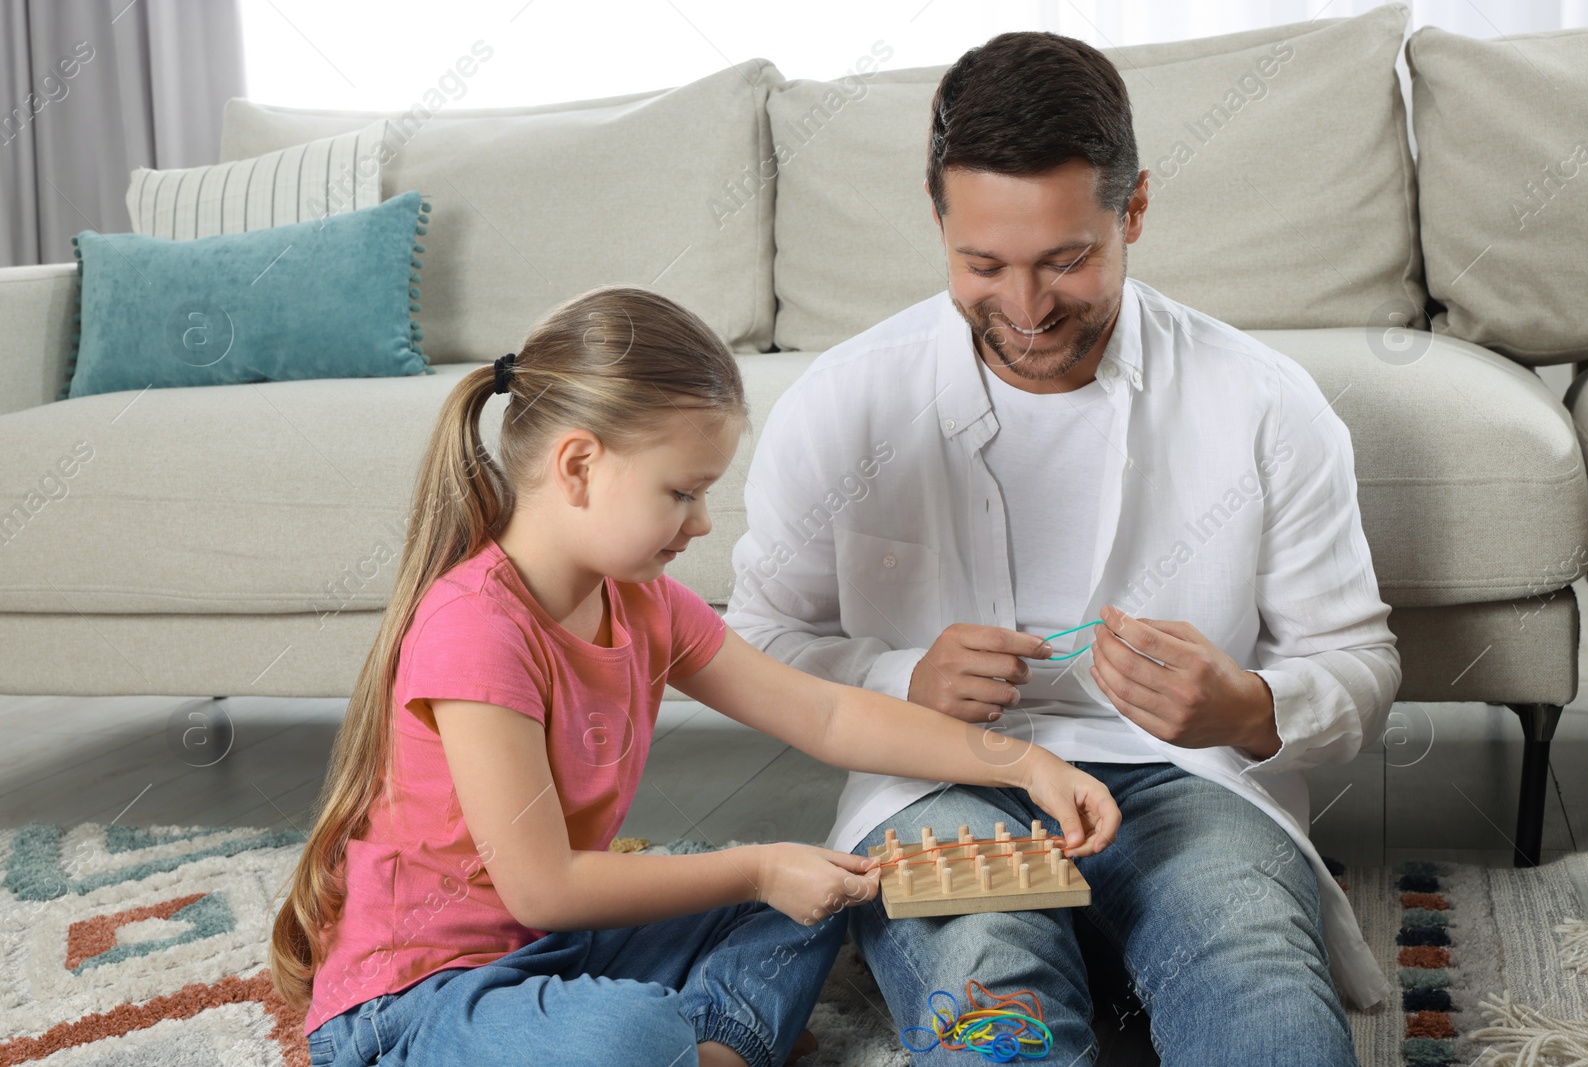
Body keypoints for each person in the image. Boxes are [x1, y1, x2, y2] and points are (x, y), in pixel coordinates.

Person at [725, 31, 1401, 1066]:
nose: (1028, 311)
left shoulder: (1261, 401)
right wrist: (903, 677)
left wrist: (1249, 709)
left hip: (1187, 779)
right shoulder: (842, 405)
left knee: (1249, 962)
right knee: (988, 982)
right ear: (936, 213)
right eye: (982, 264)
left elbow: (1358, 661)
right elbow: (759, 644)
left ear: (1132, 212)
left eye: (1066, 260)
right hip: (938, 782)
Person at [268, 285, 1123, 1067]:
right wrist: (753, 865)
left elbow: (824, 714)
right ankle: (696, 1043)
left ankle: (702, 1051)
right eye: (682, 492)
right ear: (577, 466)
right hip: (425, 990)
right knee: (633, 1027)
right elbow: (545, 883)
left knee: (807, 905)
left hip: (559, 944)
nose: (704, 522)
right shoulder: (477, 630)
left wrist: (1025, 763)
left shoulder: (646, 603)